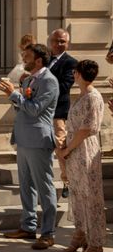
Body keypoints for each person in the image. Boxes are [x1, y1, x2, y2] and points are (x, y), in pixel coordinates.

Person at [0, 43, 59, 249]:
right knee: (26, 185)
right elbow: (22, 106)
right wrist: (15, 97)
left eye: (28, 55)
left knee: (44, 187)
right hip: (24, 139)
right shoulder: (31, 78)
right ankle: (28, 226)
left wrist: (14, 94)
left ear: (39, 60)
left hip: (38, 140)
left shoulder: (49, 81)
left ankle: (48, 233)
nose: (24, 58)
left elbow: (35, 110)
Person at [57, 60, 106, 252]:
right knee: (77, 194)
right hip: (75, 150)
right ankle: (80, 235)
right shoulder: (82, 95)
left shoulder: (93, 97)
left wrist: (68, 148)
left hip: (85, 150)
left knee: (91, 197)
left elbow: (87, 129)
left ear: (78, 74)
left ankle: (96, 244)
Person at [47, 29, 77, 189]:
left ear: (67, 43)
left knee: (61, 147)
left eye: (62, 41)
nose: (58, 44)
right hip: (41, 113)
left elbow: (65, 86)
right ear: (50, 41)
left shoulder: (71, 62)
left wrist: (43, 89)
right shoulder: (44, 59)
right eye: (56, 41)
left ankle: (66, 182)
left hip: (58, 112)